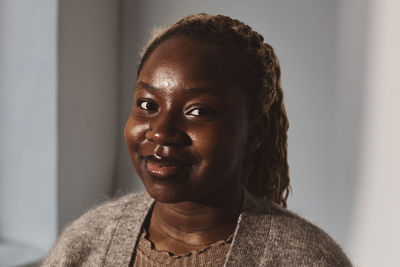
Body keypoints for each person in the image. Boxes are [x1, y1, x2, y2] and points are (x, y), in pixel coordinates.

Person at [42, 13, 352, 266]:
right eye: (149, 105)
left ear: (254, 132)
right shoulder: (87, 242)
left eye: (197, 111)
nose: (161, 131)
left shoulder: (310, 259)